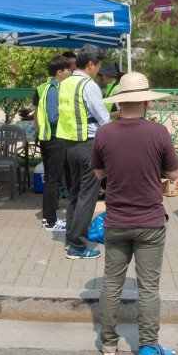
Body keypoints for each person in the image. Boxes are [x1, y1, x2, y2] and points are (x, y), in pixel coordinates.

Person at [91, 71, 178, 355]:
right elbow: (173, 174)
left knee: (111, 284)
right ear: (146, 101)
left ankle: (109, 342)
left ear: (120, 101)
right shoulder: (159, 133)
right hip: (150, 221)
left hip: (116, 219)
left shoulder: (104, 132)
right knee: (149, 287)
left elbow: (99, 173)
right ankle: (148, 348)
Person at [58, 44, 111, 259]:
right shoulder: (88, 85)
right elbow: (104, 118)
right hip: (89, 145)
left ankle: (70, 239)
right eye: (98, 66)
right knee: (87, 198)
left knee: (74, 195)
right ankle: (78, 247)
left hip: (70, 145)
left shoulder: (65, 83)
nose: (98, 70)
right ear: (90, 64)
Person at [34, 55, 72, 231]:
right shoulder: (53, 90)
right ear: (59, 72)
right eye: (67, 70)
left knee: (52, 180)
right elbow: (53, 117)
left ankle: (48, 218)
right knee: (53, 181)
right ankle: (50, 220)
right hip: (55, 139)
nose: (70, 72)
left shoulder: (52, 87)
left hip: (51, 139)